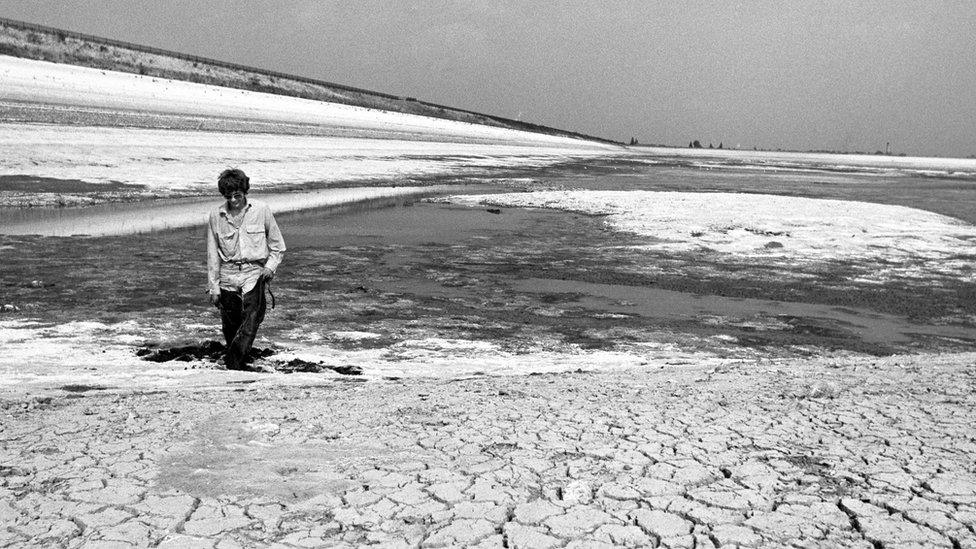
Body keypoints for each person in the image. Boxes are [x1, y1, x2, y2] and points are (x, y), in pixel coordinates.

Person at [206, 168, 286, 370]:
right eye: (229, 196)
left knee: (252, 318)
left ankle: (234, 363)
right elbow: (212, 255)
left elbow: (278, 246)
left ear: (245, 192)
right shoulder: (216, 216)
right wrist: (213, 287)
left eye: (238, 195)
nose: (234, 200)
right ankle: (239, 359)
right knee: (230, 325)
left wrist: (270, 267)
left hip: (254, 272)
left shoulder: (262, 210)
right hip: (228, 274)